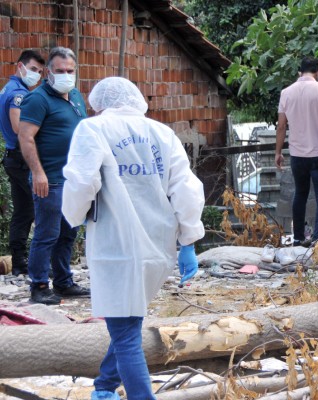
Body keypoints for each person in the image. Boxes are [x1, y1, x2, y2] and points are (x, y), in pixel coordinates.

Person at [61, 77, 205, 400]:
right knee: (128, 322)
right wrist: (189, 242)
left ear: (100, 103)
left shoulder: (93, 129)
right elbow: (186, 188)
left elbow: (82, 182)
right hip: (158, 245)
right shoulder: (162, 133)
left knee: (125, 333)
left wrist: (73, 215)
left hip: (116, 247)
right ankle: (104, 385)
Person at [18, 46, 90, 304]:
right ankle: (38, 285)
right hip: (50, 179)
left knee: (68, 233)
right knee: (47, 233)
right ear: (48, 72)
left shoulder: (76, 96)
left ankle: (63, 282)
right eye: (60, 71)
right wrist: (38, 173)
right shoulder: (38, 99)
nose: (66, 75)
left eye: (70, 70)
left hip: (74, 179)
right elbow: (26, 138)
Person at [275, 56, 318, 246]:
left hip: (297, 155)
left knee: (300, 193)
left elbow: (281, 126)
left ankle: (297, 238)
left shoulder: (286, 93)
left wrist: (278, 152)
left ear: (299, 73)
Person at [0, 50, 45, 276]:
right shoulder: (18, 94)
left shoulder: (8, 89)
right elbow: (19, 128)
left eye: (39, 71)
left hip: (12, 157)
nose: (36, 75)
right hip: (21, 158)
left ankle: (19, 262)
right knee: (41, 208)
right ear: (20, 66)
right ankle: (37, 262)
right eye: (33, 69)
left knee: (23, 211)